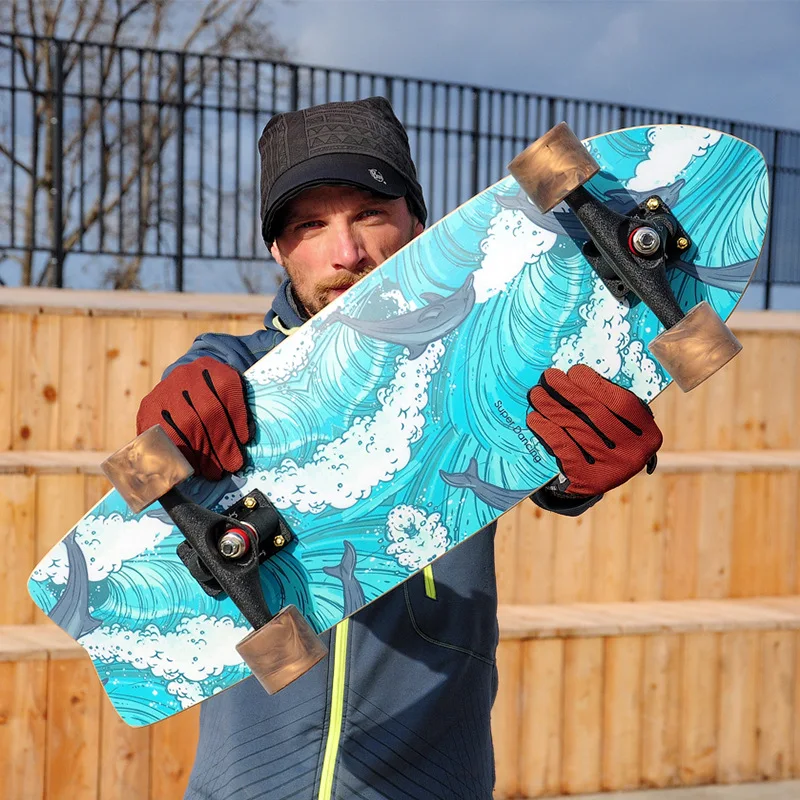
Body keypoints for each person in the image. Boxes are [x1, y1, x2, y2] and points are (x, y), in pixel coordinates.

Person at [137, 97, 662, 800]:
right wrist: (169, 418)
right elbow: (189, 394)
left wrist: (576, 477)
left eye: (369, 214)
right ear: (278, 250)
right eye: (310, 225)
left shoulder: (482, 368)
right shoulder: (237, 369)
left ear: (418, 222)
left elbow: (540, 445)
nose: (346, 253)